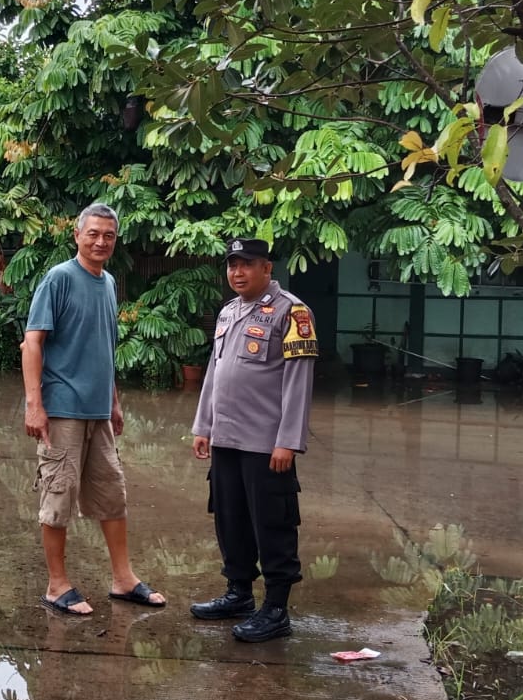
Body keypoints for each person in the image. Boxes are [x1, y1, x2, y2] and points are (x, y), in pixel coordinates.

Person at [23, 202, 165, 616]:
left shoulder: (108, 283)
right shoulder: (59, 278)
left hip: (98, 412)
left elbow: (103, 348)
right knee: (58, 497)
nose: (101, 241)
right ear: (77, 235)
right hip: (62, 409)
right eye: (94, 234)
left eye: (109, 236)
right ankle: (57, 586)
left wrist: (113, 402)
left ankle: (123, 579)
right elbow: (32, 343)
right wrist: (35, 405)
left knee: (112, 495)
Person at [190, 237, 317, 642]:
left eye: (247, 264)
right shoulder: (228, 311)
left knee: (273, 523)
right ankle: (238, 593)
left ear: (266, 268)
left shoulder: (292, 312)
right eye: (232, 265)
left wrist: (288, 441)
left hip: (266, 444)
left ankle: (276, 609)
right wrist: (204, 425)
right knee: (230, 518)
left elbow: (299, 380)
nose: (238, 272)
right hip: (226, 438)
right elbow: (215, 370)